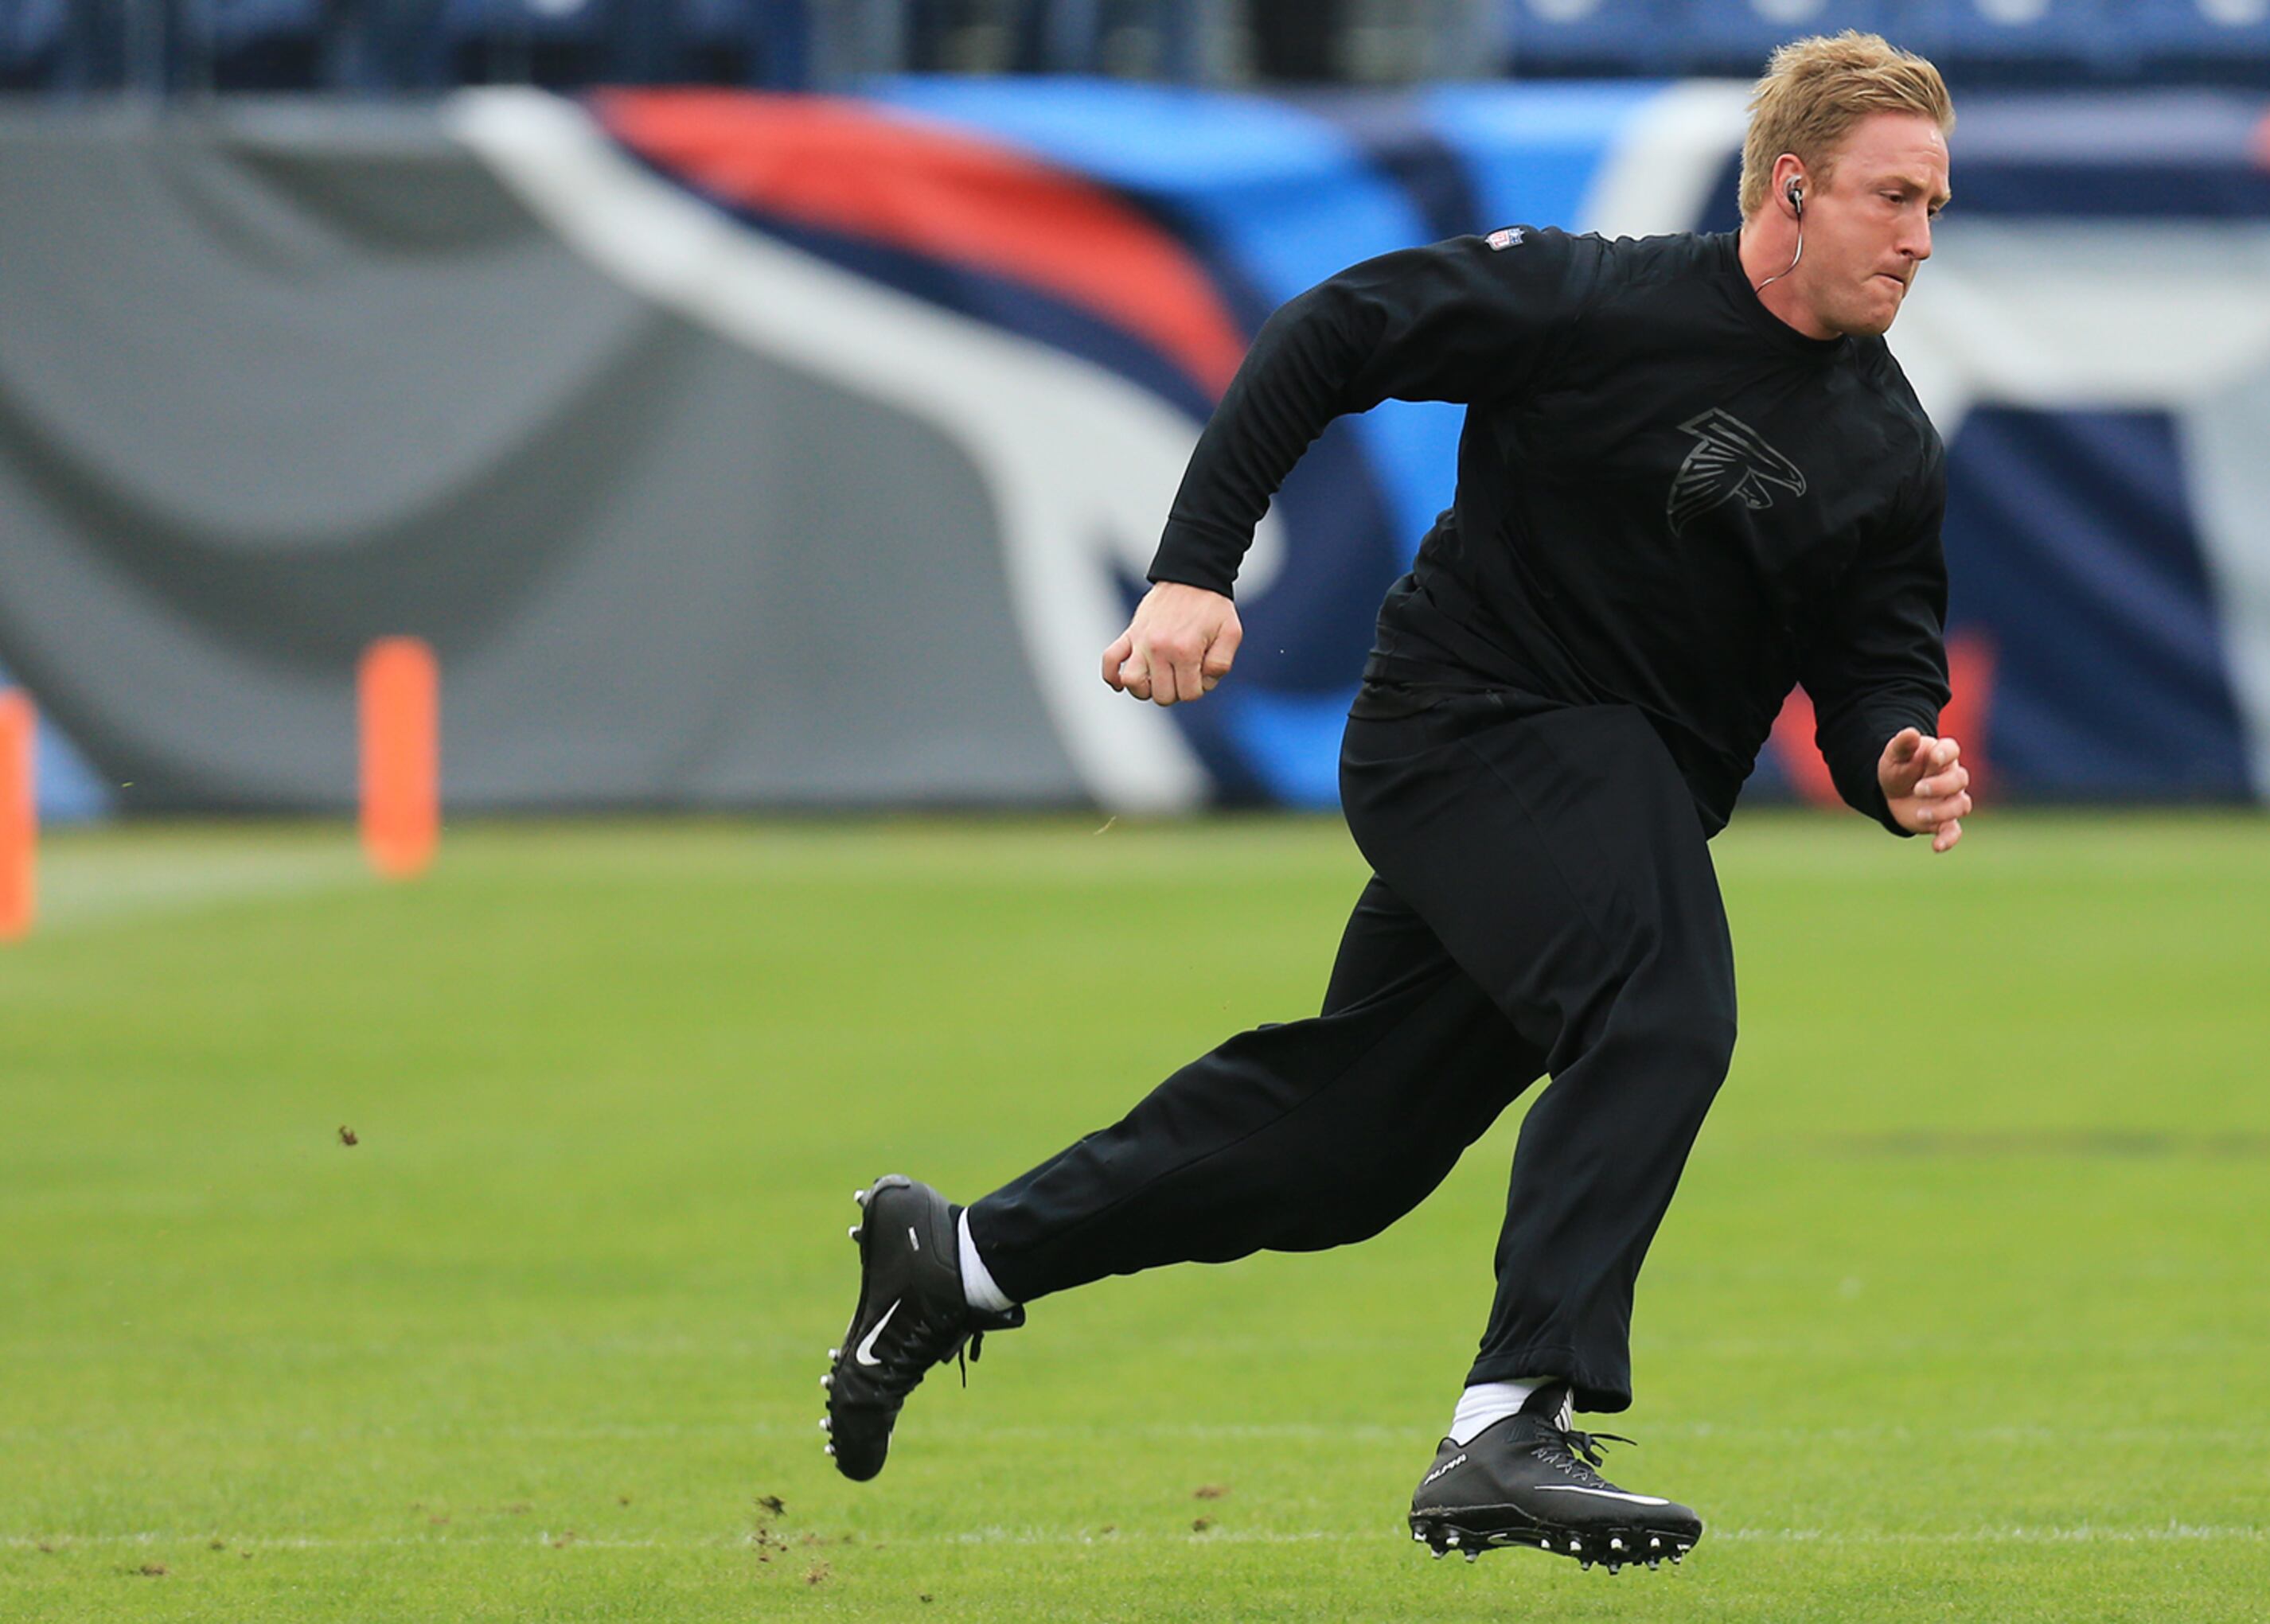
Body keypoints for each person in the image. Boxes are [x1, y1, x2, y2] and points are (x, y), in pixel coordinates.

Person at [818, 30, 1967, 1573]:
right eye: (1894, 196)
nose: (1919, 235)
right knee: (1663, 1010)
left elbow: (1877, 657)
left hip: (1594, 810)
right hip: (1467, 729)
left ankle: (958, 1258)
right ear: (1793, 186)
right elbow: (1332, 329)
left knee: (1341, 1151)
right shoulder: (1598, 298)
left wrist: (1896, 753)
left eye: (1935, 206)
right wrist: (1194, 571)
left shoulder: (1885, 441)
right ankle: (1509, 1424)